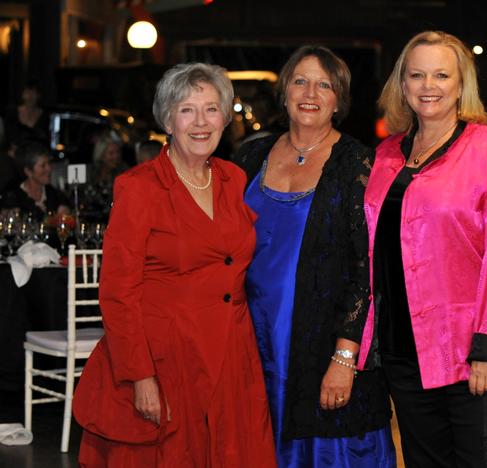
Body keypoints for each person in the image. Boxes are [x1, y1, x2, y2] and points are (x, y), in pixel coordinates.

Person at [73, 62, 277, 467]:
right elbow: (118, 292)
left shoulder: (233, 179)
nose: (200, 122)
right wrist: (139, 375)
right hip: (166, 358)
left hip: (232, 354)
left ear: (225, 116)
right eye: (187, 110)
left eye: (211, 109)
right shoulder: (139, 187)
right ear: (168, 119)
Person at [360, 30, 487, 467]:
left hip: (469, 353)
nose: (428, 85)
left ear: (461, 85)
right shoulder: (385, 155)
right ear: (402, 84)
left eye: (441, 74)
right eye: (416, 75)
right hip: (403, 352)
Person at [234, 45, 396, 467]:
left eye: (324, 84)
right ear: (285, 91)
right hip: (250, 338)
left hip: (324, 342)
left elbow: (367, 270)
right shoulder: (250, 156)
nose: (311, 92)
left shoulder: (359, 164)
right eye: (300, 81)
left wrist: (345, 358)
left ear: (339, 100)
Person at [1, 140, 69, 221]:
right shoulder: (13, 197)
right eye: (43, 166)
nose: (49, 169)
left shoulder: (54, 194)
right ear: (28, 171)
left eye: (49, 163)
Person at [3, 79, 50, 145]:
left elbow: (46, 140)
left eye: (34, 93)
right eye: (27, 92)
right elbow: (8, 138)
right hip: (16, 153)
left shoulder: (45, 116)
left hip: (37, 153)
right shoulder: (12, 113)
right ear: (22, 95)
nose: (30, 96)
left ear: (39, 96)